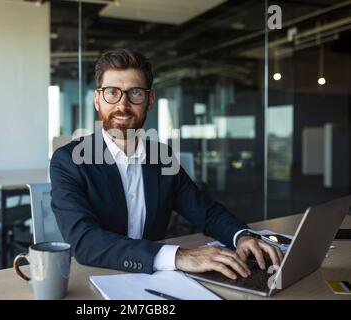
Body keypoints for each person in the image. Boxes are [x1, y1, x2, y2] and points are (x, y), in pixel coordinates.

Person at [50, 48, 282, 280]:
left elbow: (206, 212)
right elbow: (85, 242)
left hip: (156, 281)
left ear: (149, 100)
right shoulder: (69, 161)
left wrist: (242, 236)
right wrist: (179, 256)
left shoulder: (161, 157)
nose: (123, 105)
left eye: (135, 93)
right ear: (97, 100)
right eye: (112, 93)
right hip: (96, 278)